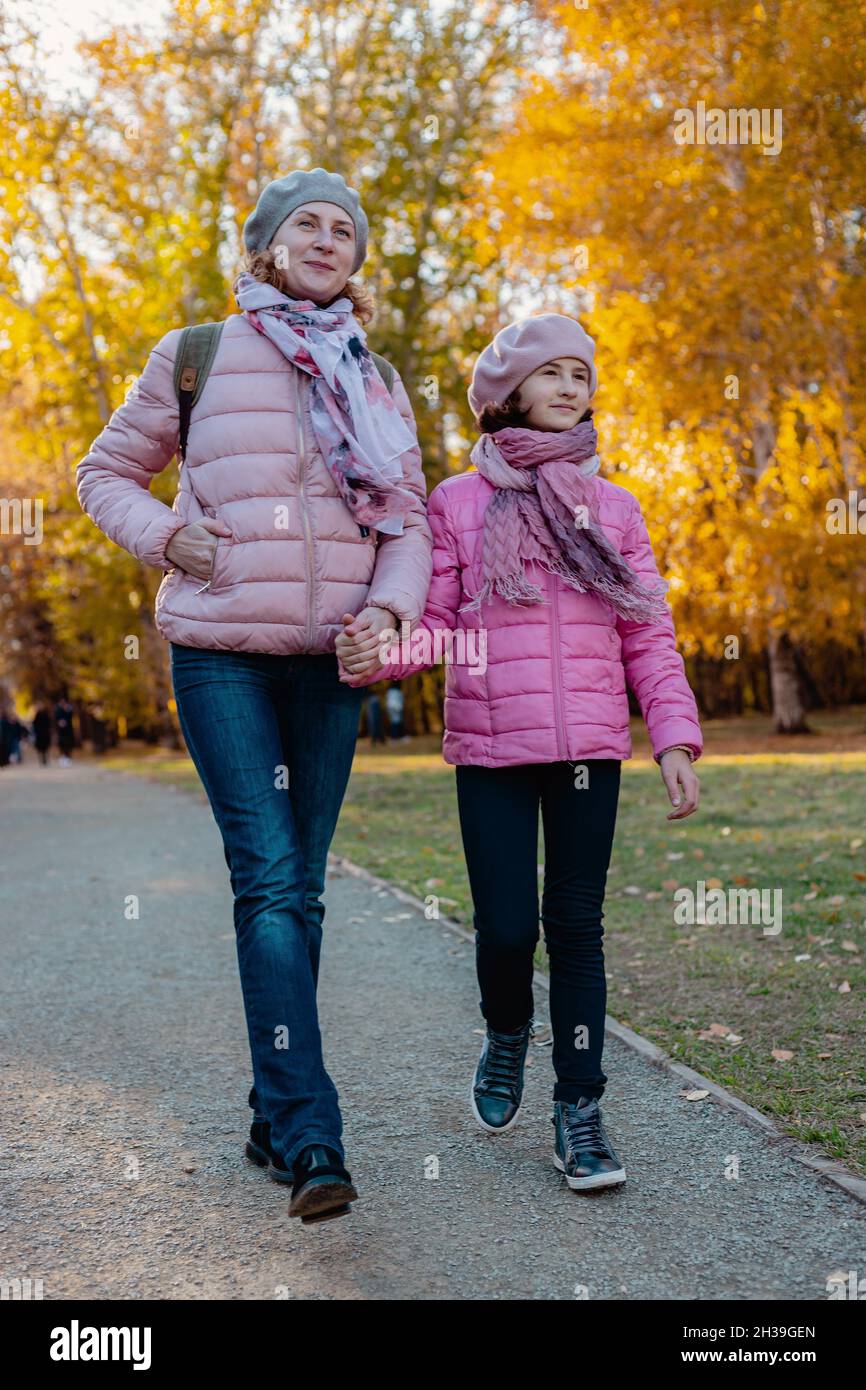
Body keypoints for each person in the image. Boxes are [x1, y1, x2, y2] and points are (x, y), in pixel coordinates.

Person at [76, 167, 433, 1224]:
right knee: (271, 879)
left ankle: (270, 1109)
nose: (326, 239)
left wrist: (394, 614)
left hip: (331, 665)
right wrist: (165, 534)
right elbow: (102, 475)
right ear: (268, 246)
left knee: (302, 889)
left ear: (355, 258)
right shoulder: (197, 355)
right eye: (305, 224)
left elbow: (406, 519)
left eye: (344, 229)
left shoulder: (375, 378)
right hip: (223, 651)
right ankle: (313, 1132)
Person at [337, 313, 702, 1194]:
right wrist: (382, 654)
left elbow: (645, 630)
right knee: (507, 928)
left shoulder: (613, 508)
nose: (574, 386)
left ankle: (580, 1111)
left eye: (584, 373)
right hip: (493, 752)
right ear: (508, 393)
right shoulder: (459, 503)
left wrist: (674, 736)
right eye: (554, 372)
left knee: (576, 929)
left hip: (590, 753)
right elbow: (440, 623)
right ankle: (508, 1032)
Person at [54, 697, 75, 766]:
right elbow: (55, 718)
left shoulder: (69, 709)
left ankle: (68, 757)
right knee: (62, 744)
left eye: (64, 702)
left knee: (68, 744)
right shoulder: (57, 710)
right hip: (61, 731)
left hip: (68, 731)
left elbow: (71, 717)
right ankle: (63, 757)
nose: (63, 704)